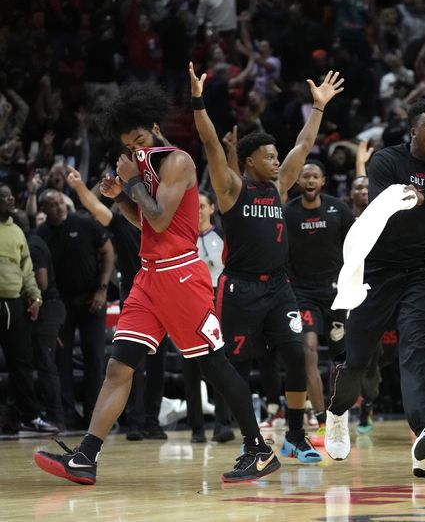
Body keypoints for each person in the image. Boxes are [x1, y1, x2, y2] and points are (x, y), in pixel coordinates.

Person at [34, 81, 280, 485]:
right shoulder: (145, 166)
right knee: (119, 366)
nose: (135, 149)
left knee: (214, 366)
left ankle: (258, 450)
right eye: (128, 146)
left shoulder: (178, 161)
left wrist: (131, 182)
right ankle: (85, 457)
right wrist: (121, 197)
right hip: (148, 277)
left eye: (139, 140)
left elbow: (162, 220)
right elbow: (146, 222)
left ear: (154, 127)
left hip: (181, 275)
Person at [189, 63, 344, 464]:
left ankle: (295, 435)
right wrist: (198, 103)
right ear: (249, 161)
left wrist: (319, 107)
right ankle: (250, 439)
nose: (277, 162)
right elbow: (210, 144)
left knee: (296, 353)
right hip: (240, 288)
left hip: (278, 286)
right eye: (269, 157)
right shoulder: (230, 188)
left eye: (277, 156)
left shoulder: (278, 187)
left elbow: (303, 146)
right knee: (237, 365)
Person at [324, 99, 425, 478]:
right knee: (358, 356)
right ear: (413, 131)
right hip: (379, 270)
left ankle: (423, 434)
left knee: (415, 349)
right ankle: (337, 413)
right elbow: (394, 207)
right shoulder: (386, 161)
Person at [65, 167, 169, 442]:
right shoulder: (122, 222)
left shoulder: (162, 220)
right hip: (135, 297)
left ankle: (152, 421)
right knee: (131, 364)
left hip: (164, 295)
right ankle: (134, 422)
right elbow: (96, 207)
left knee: (157, 364)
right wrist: (79, 186)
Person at [284, 161, 355, 446]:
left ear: (323, 180)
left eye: (315, 176)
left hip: (336, 292)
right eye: (305, 176)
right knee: (308, 351)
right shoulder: (288, 212)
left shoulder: (339, 209)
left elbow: (355, 245)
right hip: (303, 293)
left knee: (341, 360)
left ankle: (338, 416)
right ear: (298, 181)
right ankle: (322, 420)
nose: (310, 180)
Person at [36, 188, 115, 430]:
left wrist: (103, 288)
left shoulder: (84, 223)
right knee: (62, 361)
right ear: (43, 209)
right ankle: (67, 415)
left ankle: (94, 415)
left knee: (95, 358)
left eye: (60, 202)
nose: (59, 207)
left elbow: (108, 251)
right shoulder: (41, 235)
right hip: (61, 305)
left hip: (92, 300)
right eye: (53, 205)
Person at [0, 184, 57, 434]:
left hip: (14, 303)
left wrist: (35, 296)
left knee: (21, 363)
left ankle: (30, 417)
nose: (11, 198)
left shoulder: (16, 232)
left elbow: (27, 269)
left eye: (11, 195)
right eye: (5, 196)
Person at [184, 189, 232, 444]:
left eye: (202, 206)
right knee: (191, 365)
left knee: (219, 362)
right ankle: (196, 428)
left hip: (219, 301)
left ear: (212, 208)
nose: (198, 210)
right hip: (189, 303)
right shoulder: (183, 238)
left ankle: (223, 424)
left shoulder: (223, 235)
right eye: (194, 206)